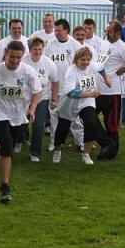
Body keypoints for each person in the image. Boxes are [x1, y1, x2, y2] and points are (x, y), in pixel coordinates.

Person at [0, 40, 41, 204]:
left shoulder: (28, 72)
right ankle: (4, 188)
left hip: (18, 113)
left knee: (8, 146)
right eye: (12, 57)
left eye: (18, 58)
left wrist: (32, 109)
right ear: (5, 54)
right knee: (7, 150)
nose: (15, 61)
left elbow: (37, 92)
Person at [53, 47, 114, 165]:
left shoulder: (92, 66)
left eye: (88, 59)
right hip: (69, 103)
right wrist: (90, 94)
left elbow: (101, 68)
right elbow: (70, 92)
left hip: (86, 102)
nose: (86, 62)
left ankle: (86, 154)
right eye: (83, 60)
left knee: (90, 123)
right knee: (63, 128)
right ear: (76, 59)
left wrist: (106, 79)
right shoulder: (71, 71)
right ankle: (58, 149)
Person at [96, 20, 125, 160]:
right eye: (106, 31)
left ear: (118, 33)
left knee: (111, 123)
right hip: (98, 89)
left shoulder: (122, 47)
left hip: (112, 92)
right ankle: (107, 143)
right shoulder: (105, 43)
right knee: (88, 117)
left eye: (109, 31)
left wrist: (123, 70)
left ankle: (111, 150)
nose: (106, 33)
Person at [44, 19, 84, 152]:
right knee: (53, 116)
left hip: (70, 88)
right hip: (54, 88)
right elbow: (45, 64)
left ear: (66, 30)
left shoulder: (75, 45)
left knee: (74, 117)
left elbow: (81, 66)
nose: (56, 33)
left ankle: (80, 142)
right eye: (55, 31)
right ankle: (54, 143)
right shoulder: (50, 45)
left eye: (59, 30)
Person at [22, 37, 59, 161]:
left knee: (38, 125)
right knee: (21, 123)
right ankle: (20, 140)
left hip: (42, 98)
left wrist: (54, 99)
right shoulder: (23, 61)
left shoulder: (48, 63)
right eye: (35, 49)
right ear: (30, 49)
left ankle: (35, 153)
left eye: (40, 49)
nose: (38, 52)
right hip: (24, 97)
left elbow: (55, 82)